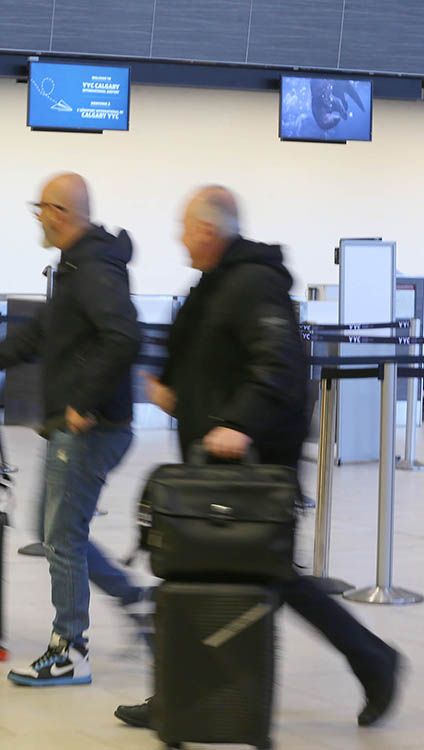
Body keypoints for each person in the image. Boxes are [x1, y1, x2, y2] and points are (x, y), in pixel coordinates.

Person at [114, 186, 403, 728]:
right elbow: (213, 358)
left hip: (253, 471)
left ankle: (374, 658)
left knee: (259, 575)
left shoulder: (254, 285)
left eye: (185, 228)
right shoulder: (217, 285)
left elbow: (278, 366)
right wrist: (176, 392)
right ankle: (179, 694)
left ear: (208, 230)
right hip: (216, 469)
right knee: (203, 574)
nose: (180, 239)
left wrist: (238, 424)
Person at [0, 172, 149, 687]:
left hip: (90, 427)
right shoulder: (77, 267)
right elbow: (40, 336)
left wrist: (86, 401)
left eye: (41, 208)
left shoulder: (96, 269)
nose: (37, 216)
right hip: (78, 424)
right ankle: (137, 601)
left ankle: (70, 650)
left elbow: (123, 335)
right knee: (57, 533)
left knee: (61, 537)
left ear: (61, 212)